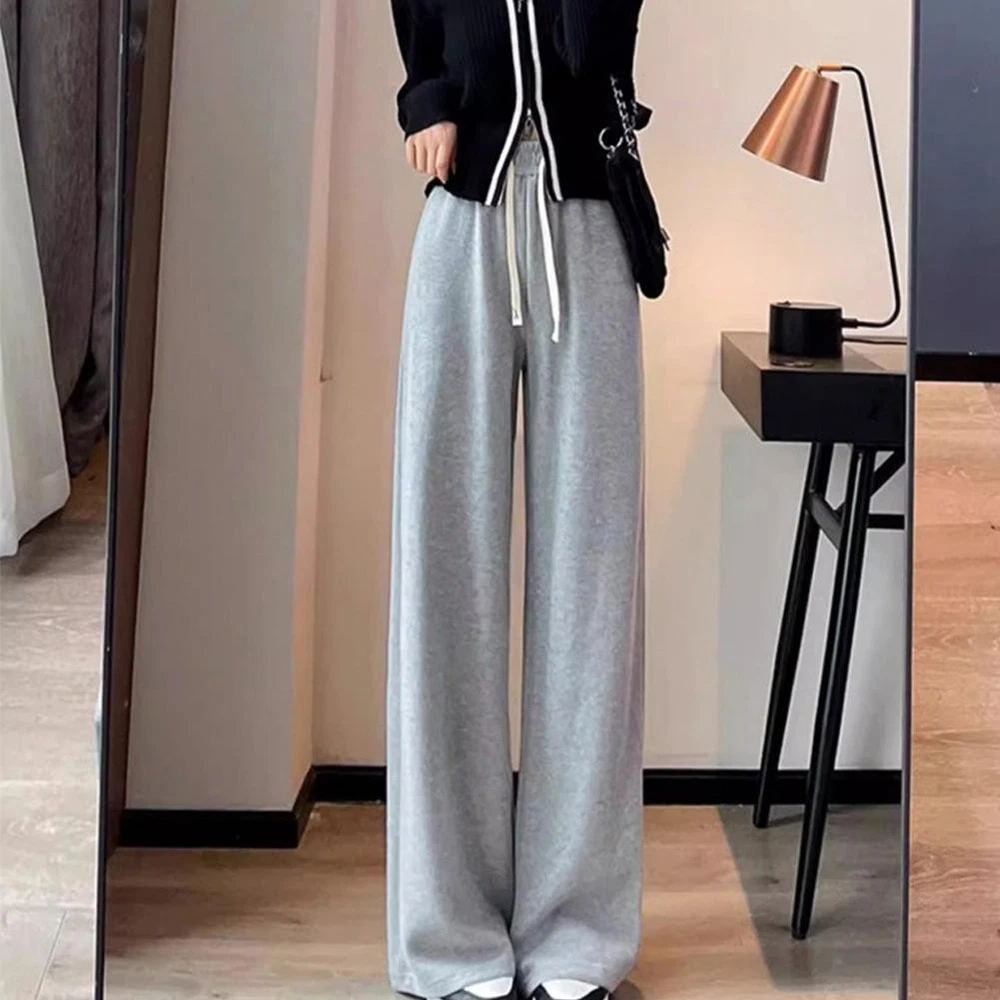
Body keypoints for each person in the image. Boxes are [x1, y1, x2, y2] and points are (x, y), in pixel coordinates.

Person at [387, 4, 647, 1000]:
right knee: (444, 574)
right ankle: (449, 936)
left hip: (589, 210)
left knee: (591, 581)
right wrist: (428, 94)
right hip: (466, 208)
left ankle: (576, 934)